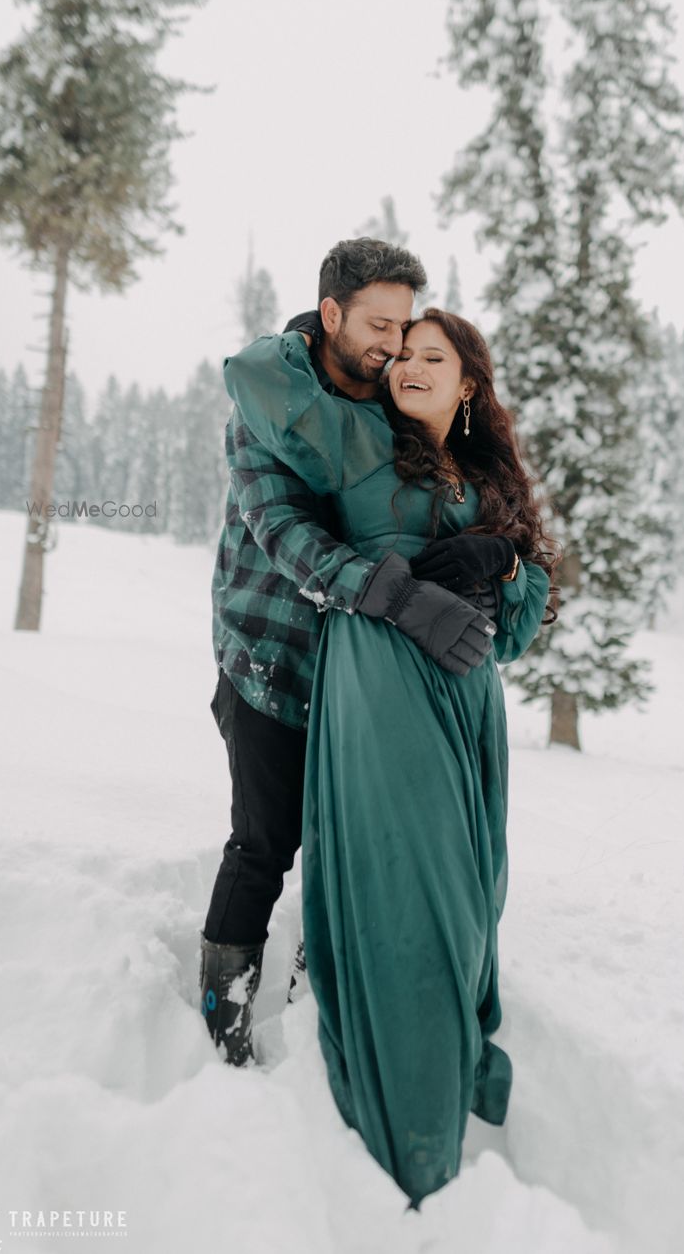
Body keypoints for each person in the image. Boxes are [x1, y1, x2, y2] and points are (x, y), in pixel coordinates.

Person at [222, 306, 558, 1206]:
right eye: (399, 350)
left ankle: (445, 1087)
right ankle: (407, 1143)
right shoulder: (362, 439)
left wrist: (508, 567)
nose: (405, 363)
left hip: (468, 709)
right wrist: (319, 327)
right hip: (382, 686)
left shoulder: (488, 480)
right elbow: (255, 377)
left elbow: (518, 634)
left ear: (469, 384)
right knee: (410, 892)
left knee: (467, 897)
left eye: (428, 355)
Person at [200, 239, 497, 1063]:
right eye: (378, 325)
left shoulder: (383, 403)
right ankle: (223, 1011)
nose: (394, 345)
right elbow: (283, 533)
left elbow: (436, 489)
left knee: (348, 845)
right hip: (268, 657)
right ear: (331, 313)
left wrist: (494, 554)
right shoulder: (270, 404)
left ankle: (315, 1002)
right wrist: (401, 598)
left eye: (404, 327)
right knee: (265, 842)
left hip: (354, 675)